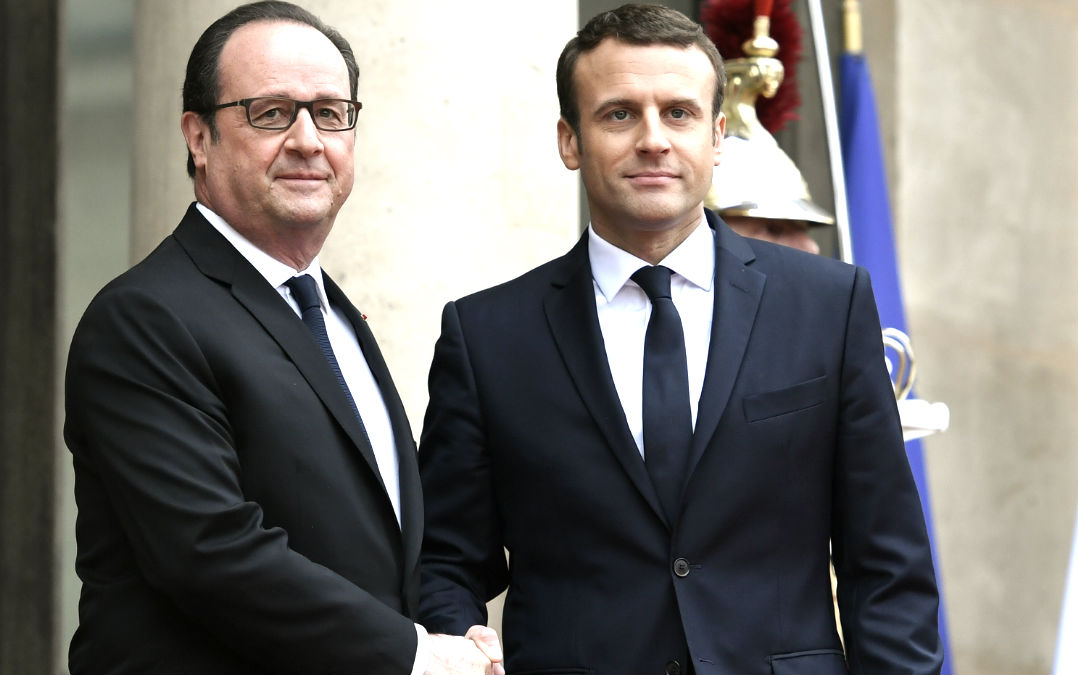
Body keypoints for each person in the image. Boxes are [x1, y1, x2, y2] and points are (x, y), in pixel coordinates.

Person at [416, 4, 943, 674]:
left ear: (718, 136)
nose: (653, 139)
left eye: (680, 112)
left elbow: (887, 564)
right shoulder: (487, 336)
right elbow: (444, 557)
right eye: (618, 113)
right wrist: (461, 638)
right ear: (569, 139)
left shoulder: (828, 306)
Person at [63, 2, 502, 672]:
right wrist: (417, 655)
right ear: (198, 136)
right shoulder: (145, 318)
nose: (308, 139)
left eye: (330, 112)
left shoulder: (333, 315)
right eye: (271, 112)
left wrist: (453, 627)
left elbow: (382, 551)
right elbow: (212, 553)